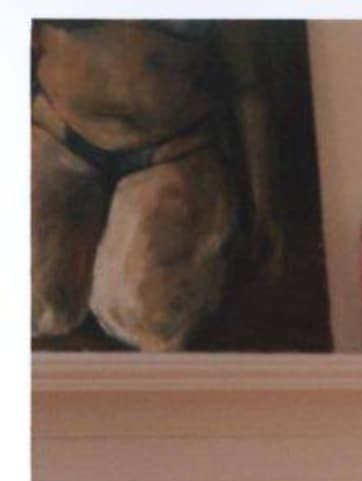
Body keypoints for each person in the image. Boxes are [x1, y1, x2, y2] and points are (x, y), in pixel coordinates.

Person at [31, 19, 287, 350]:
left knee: (145, 316)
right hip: (56, 137)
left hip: (172, 152)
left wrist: (264, 205)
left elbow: (249, 87)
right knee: (34, 304)